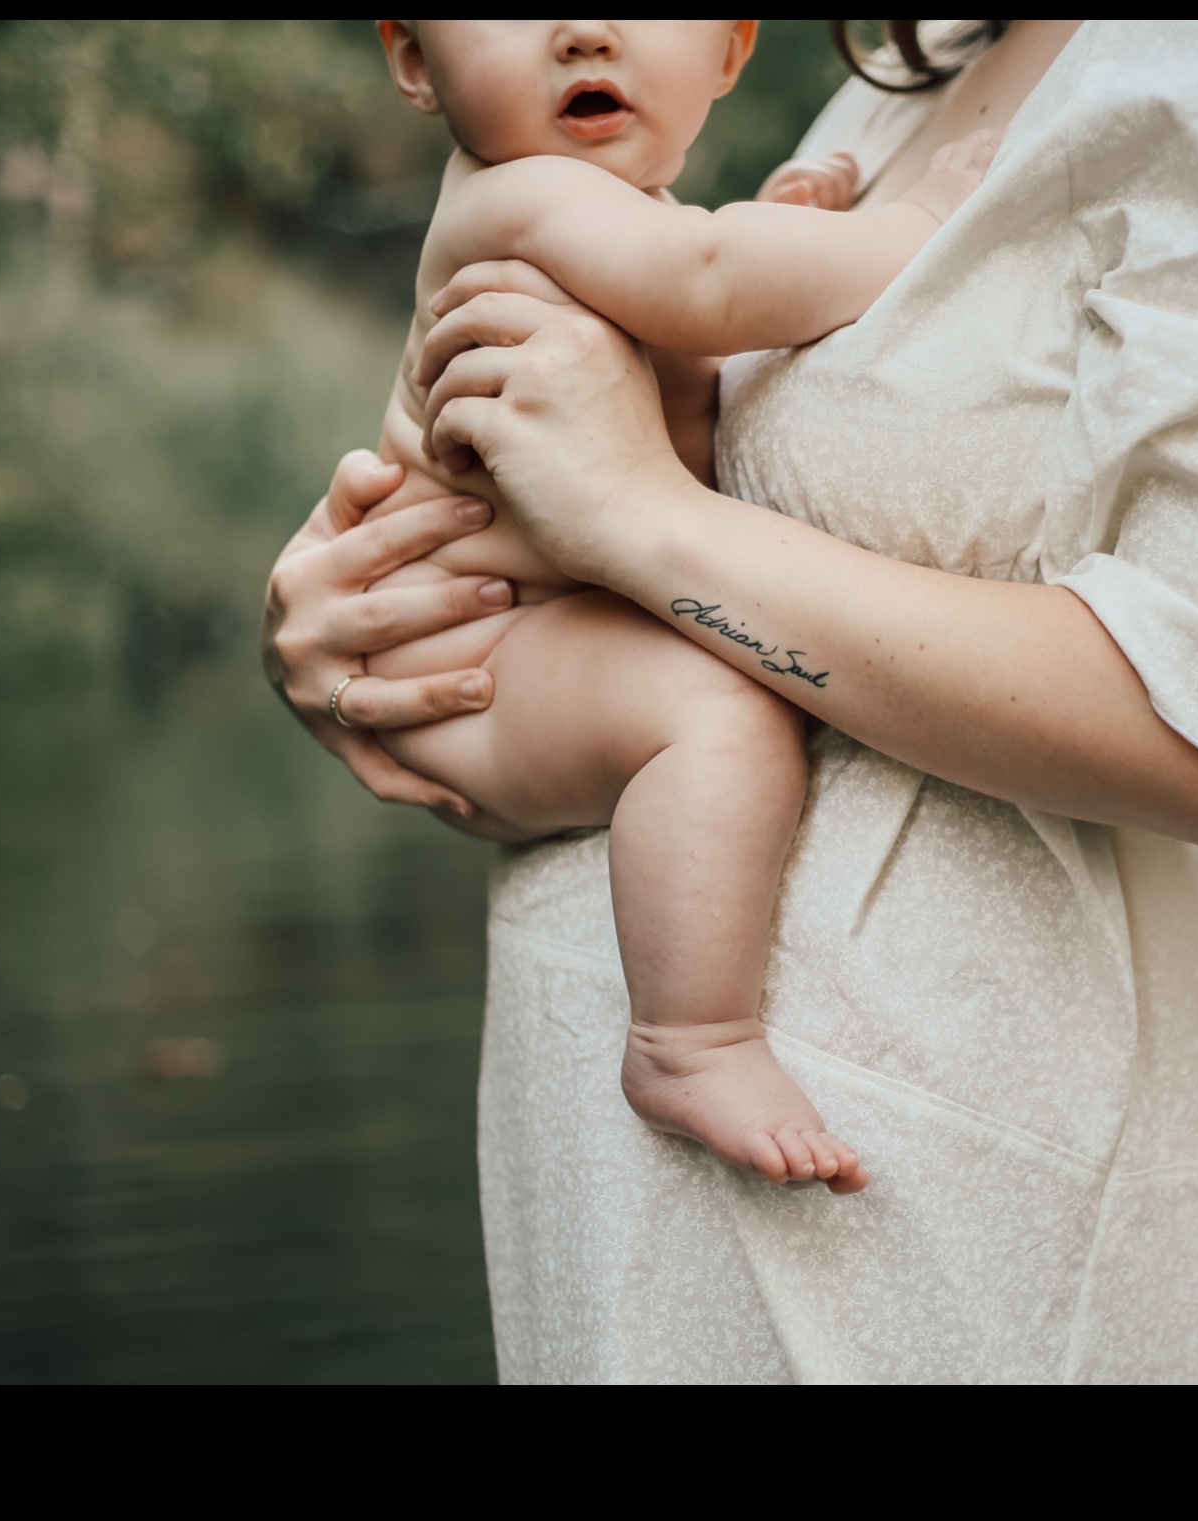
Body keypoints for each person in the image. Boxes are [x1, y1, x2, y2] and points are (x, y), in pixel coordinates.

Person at [263, 20, 1198, 1382]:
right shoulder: (921, 67)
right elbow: (709, 589)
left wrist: (637, 519)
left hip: (983, 1237)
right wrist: (376, 637)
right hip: (644, 1224)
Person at [337, 19, 1000, 1190]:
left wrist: (791, 232)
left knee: (722, 688)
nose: (584, 28)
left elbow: (703, 303)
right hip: (479, 649)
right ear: (411, 62)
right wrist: (919, 232)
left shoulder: (617, 220)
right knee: (720, 711)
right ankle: (689, 1040)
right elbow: (709, 284)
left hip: (541, 637)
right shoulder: (514, 199)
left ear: (733, 52)